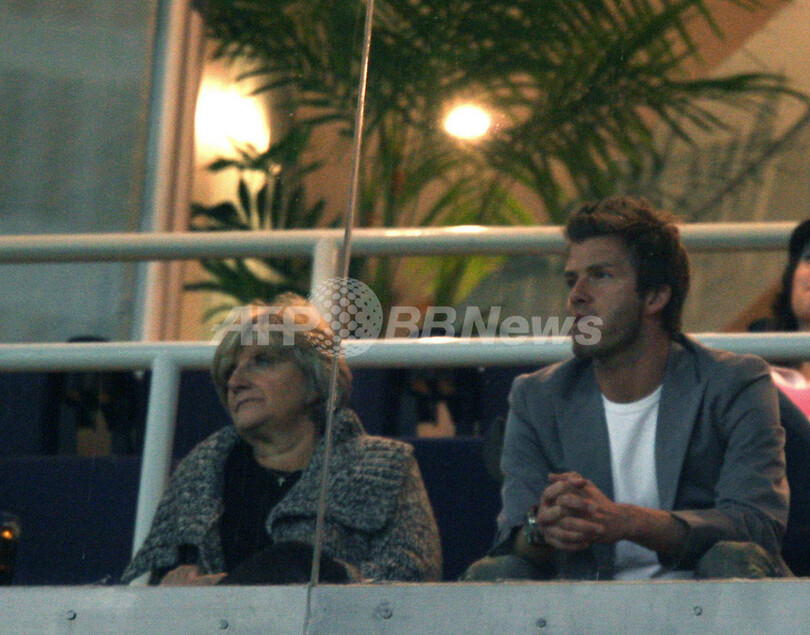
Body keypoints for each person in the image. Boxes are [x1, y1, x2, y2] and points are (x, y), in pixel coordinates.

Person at [464, 196, 790, 581]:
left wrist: (629, 521)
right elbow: (513, 537)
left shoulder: (734, 383)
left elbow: (756, 526)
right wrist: (545, 526)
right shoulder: (537, 397)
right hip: (587, 602)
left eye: (600, 275)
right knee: (492, 573)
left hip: (702, 595)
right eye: (572, 280)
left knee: (732, 560)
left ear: (655, 297)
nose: (576, 295)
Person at [121, 293, 441, 585]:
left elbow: (414, 576)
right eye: (230, 370)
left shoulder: (384, 466)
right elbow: (155, 590)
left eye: (262, 361)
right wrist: (171, 586)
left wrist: (327, 576)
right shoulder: (199, 473)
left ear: (315, 380)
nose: (236, 381)